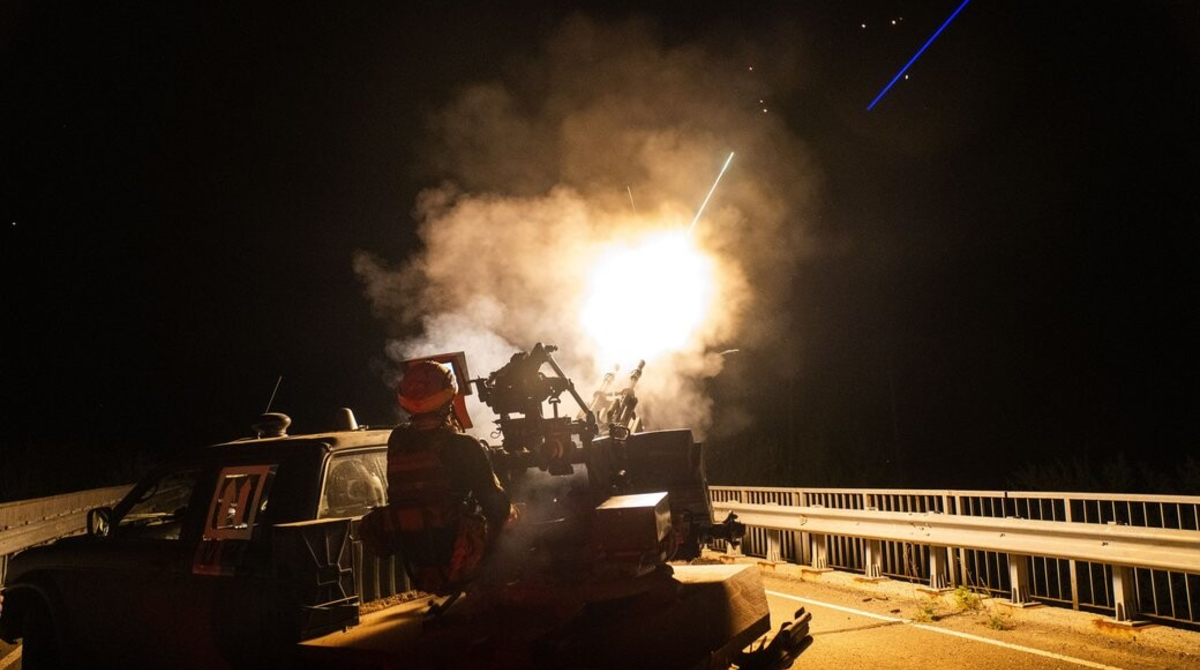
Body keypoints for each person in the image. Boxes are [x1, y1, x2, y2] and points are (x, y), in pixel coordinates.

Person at [362, 360, 511, 598]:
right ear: (449, 397)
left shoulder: (397, 439)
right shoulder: (463, 445)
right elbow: (496, 506)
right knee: (513, 516)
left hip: (417, 557)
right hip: (456, 553)